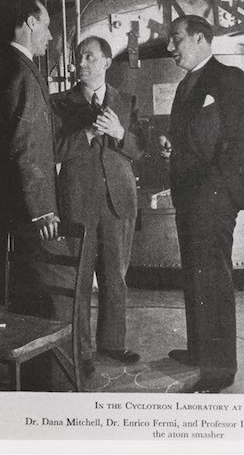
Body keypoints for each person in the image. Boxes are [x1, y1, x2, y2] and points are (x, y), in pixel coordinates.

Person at [160, 15, 244, 393]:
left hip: (214, 198)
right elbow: (190, 137)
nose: (171, 48)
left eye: (177, 39)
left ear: (201, 39)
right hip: (190, 194)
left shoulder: (229, 78)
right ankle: (200, 350)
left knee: (214, 280)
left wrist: (213, 190)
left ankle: (220, 369)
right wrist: (172, 146)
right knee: (194, 275)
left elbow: (241, 140)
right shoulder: (186, 84)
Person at [52, 36, 145, 378]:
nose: (82, 62)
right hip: (78, 203)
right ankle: (82, 353)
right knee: (79, 284)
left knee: (114, 278)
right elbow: (53, 150)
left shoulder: (125, 100)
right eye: (79, 57)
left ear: (106, 61)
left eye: (89, 56)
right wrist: (88, 134)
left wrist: (120, 132)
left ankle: (113, 344)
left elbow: (138, 150)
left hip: (118, 202)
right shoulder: (60, 103)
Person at [0, 0, 59, 307]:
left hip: (5, 205)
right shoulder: (22, 71)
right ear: (31, 23)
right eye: (46, 26)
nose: (49, 35)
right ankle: (39, 358)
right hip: (25, 210)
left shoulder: (0, 64)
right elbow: (26, 147)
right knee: (35, 297)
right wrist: (42, 210)